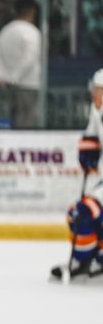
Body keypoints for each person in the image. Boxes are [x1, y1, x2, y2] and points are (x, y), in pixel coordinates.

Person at [65, 68, 103, 275]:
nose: (94, 94)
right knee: (78, 214)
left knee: (87, 210)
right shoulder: (97, 110)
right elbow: (91, 135)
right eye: (94, 89)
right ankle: (85, 259)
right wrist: (89, 150)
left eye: (99, 90)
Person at [0, 0, 41, 129]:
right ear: (32, 11)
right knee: (27, 126)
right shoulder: (32, 32)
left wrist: (0, 77)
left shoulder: (5, 32)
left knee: (10, 124)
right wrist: (15, 77)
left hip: (7, 87)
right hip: (29, 86)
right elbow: (30, 58)